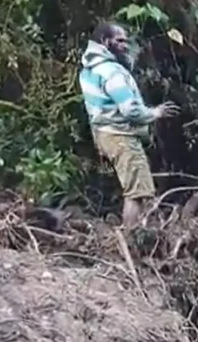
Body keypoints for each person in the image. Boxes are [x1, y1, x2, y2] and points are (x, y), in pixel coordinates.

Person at [79, 22, 179, 228]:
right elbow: (129, 110)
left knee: (138, 189)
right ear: (105, 42)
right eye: (120, 41)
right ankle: (132, 241)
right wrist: (155, 112)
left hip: (105, 134)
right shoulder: (112, 72)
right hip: (120, 136)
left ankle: (140, 235)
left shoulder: (89, 70)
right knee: (137, 193)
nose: (125, 45)